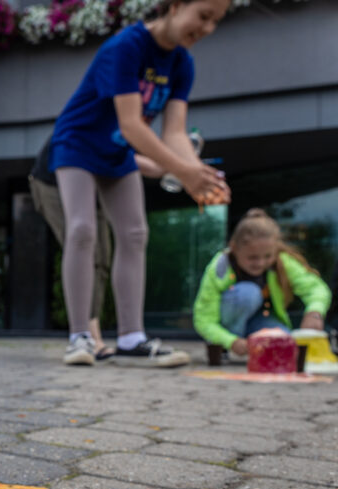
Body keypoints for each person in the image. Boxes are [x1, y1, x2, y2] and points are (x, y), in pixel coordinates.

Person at [49, 0, 231, 367]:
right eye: (204, 16)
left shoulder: (182, 63)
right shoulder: (126, 47)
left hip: (117, 153)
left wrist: (199, 173)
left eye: (216, 21)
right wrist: (184, 172)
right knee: (83, 229)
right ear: (177, 5)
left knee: (135, 234)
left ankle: (132, 338)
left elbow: (175, 132)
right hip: (77, 144)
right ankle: (79, 337)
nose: (208, 28)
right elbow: (132, 125)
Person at [28, 137, 165, 360]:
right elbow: (139, 162)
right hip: (52, 182)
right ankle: (85, 338)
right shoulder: (110, 116)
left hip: (96, 185)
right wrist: (175, 167)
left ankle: (107, 336)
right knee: (84, 244)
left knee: (102, 258)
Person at [193, 208, 331, 358]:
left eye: (267, 256)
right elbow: (203, 319)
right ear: (234, 248)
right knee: (248, 293)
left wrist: (314, 312)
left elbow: (316, 288)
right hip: (228, 329)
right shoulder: (220, 267)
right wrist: (230, 341)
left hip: (260, 321)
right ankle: (228, 350)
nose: (261, 263)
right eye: (252, 257)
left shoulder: (282, 261)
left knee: (286, 343)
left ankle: (251, 349)